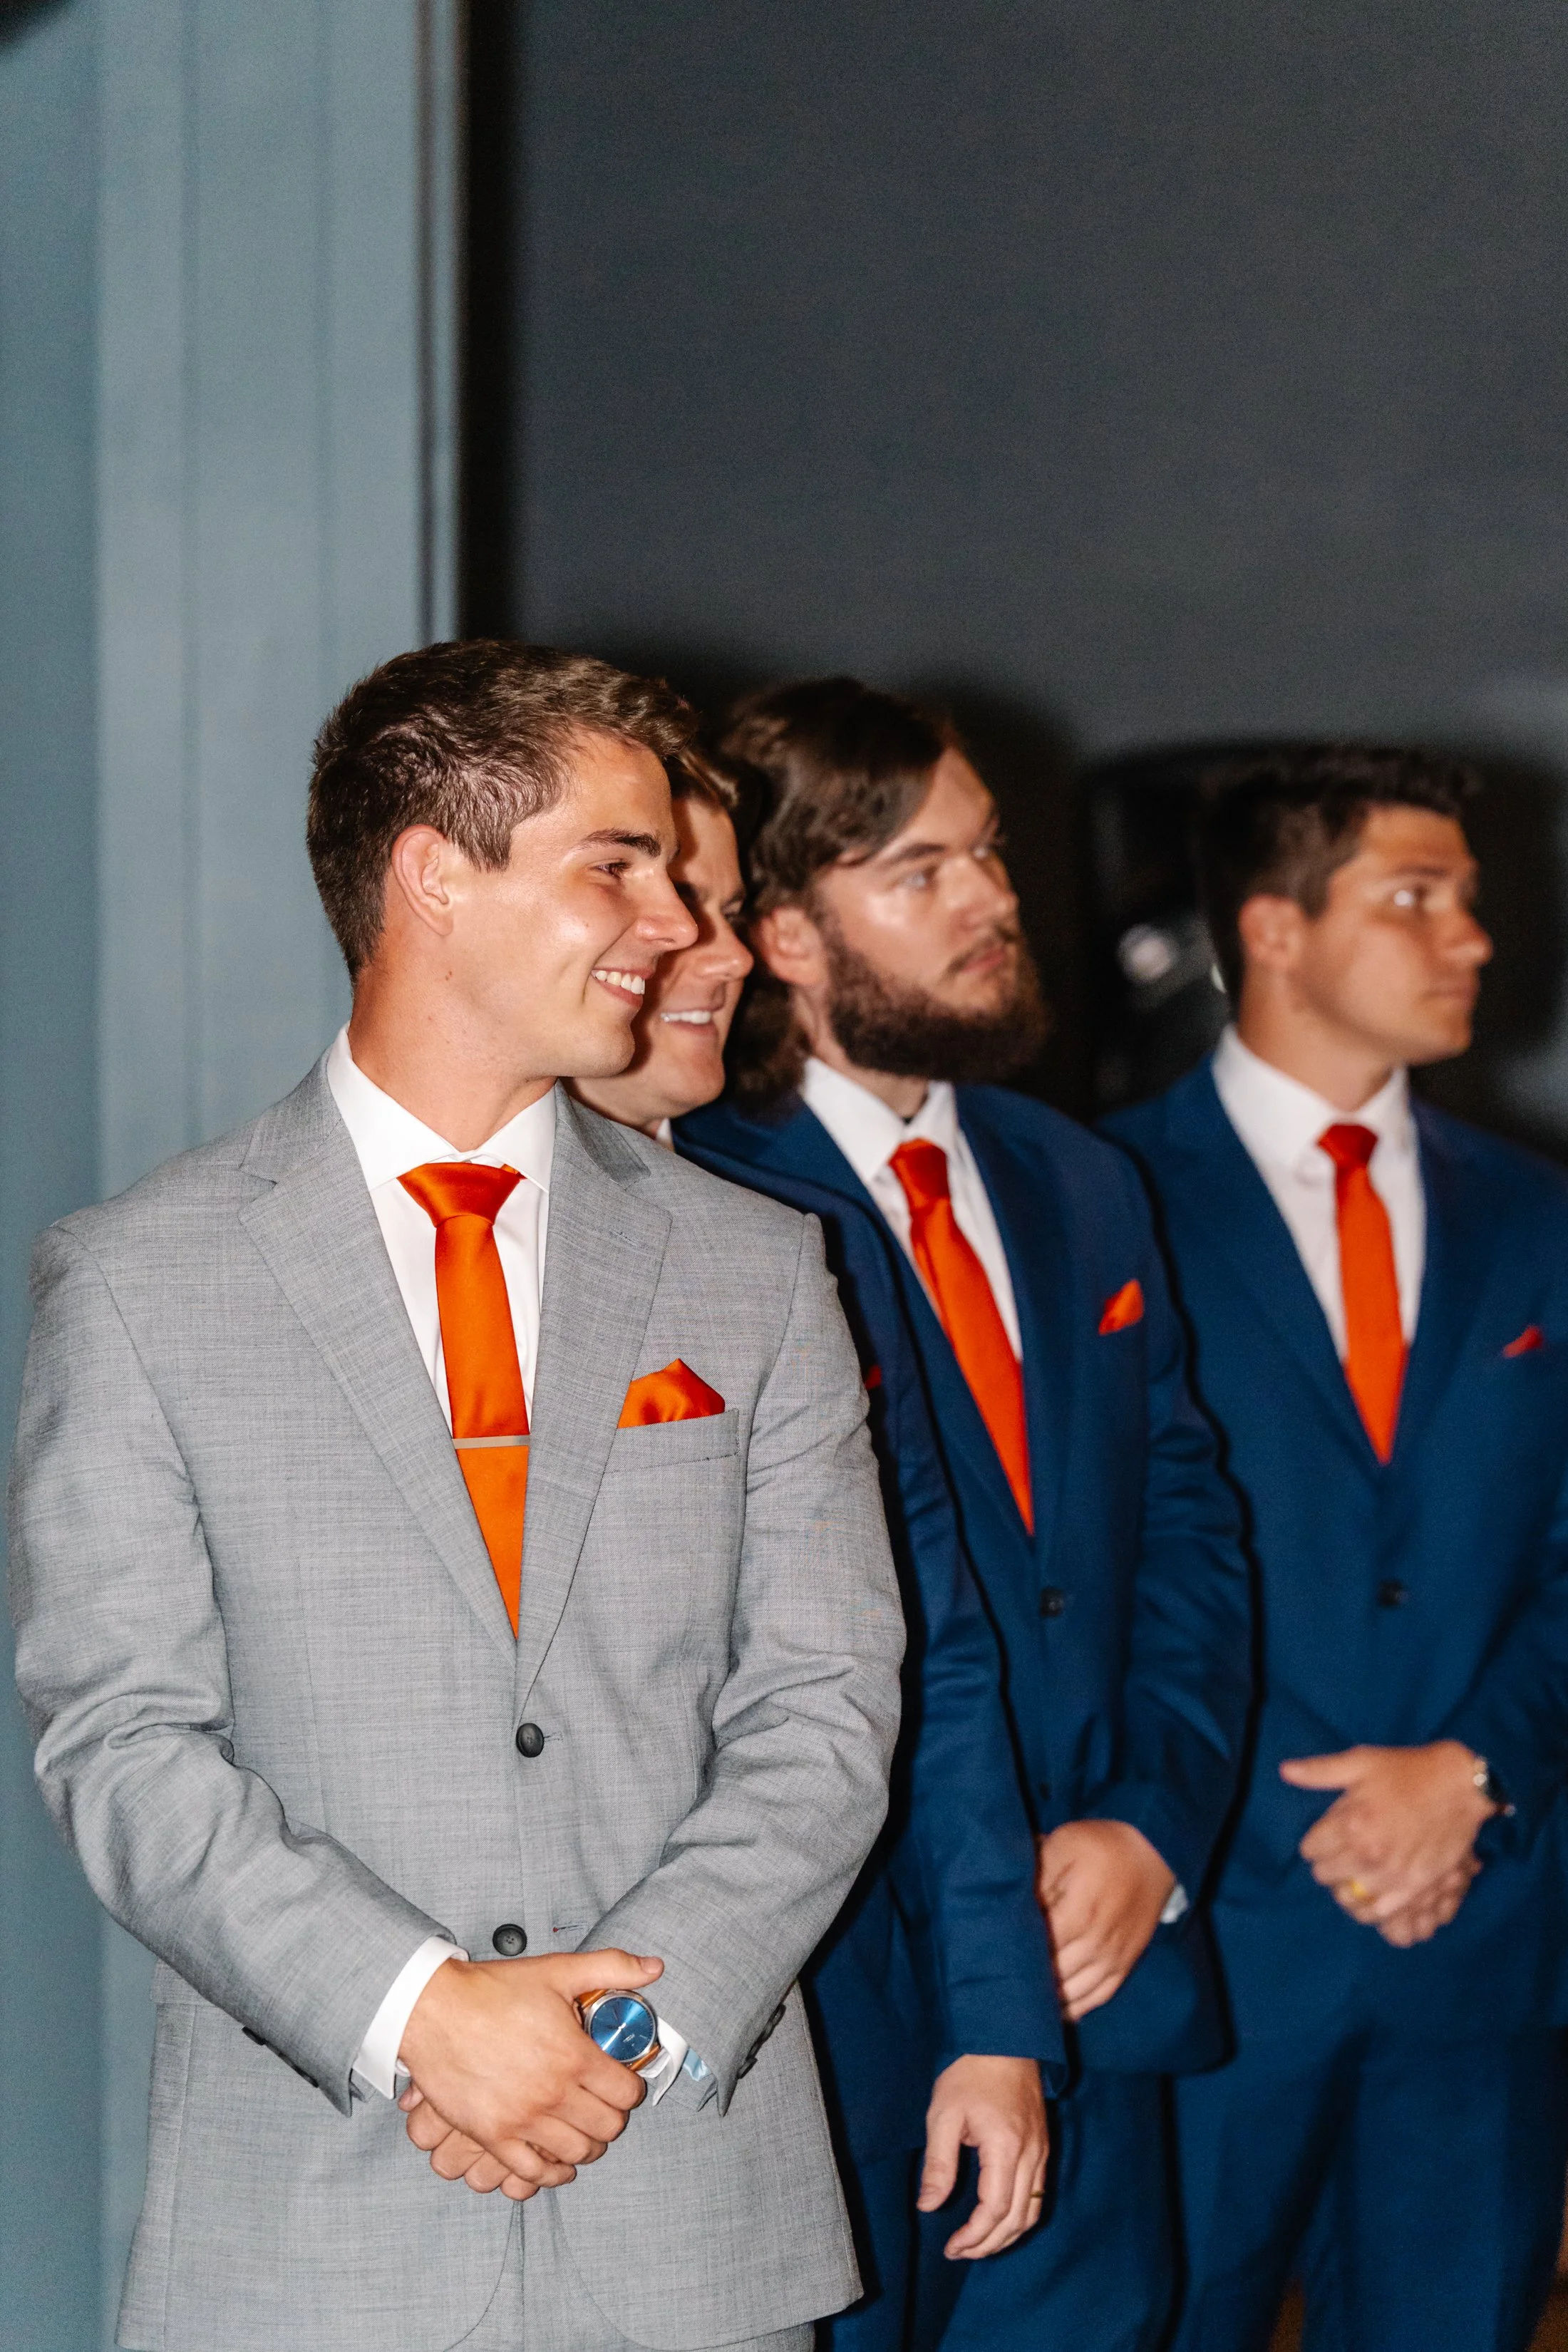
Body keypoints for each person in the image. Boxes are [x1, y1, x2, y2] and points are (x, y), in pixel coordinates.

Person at [8, 641, 906, 2352]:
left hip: (687, 2215)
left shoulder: (755, 1269)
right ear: (433, 873)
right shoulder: (139, 1279)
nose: (669, 922)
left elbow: (825, 1700)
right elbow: (118, 1741)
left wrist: (611, 2039)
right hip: (304, 2243)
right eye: (614, 866)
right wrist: (423, 2014)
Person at [681, 676, 1252, 2352]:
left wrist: (1151, 1825)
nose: (993, 900)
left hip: (1098, 1974)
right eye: (918, 871)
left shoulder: (1074, 1175)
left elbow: (1193, 1535)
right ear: (781, 930)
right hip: (836, 1996)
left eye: (986, 853)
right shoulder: (698, 1190)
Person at [575, 750, 1063, 2349]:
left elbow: (933, 1652)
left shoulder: (794, 1257)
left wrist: (993, 2019)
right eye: (665, 902)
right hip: (497, 2074)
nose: (720, 951)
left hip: (838, 2037)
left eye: (720, 904)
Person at [1103, 743, 1568, 2352]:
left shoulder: (1540, 1220)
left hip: (1479, 1941)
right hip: (1205, 1939)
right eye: (1415, 898)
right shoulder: (1093, 1200)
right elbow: (1092, 1570)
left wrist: (1467, 1777)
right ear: (1274, 931)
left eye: (1469, 902)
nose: (1472, 941)